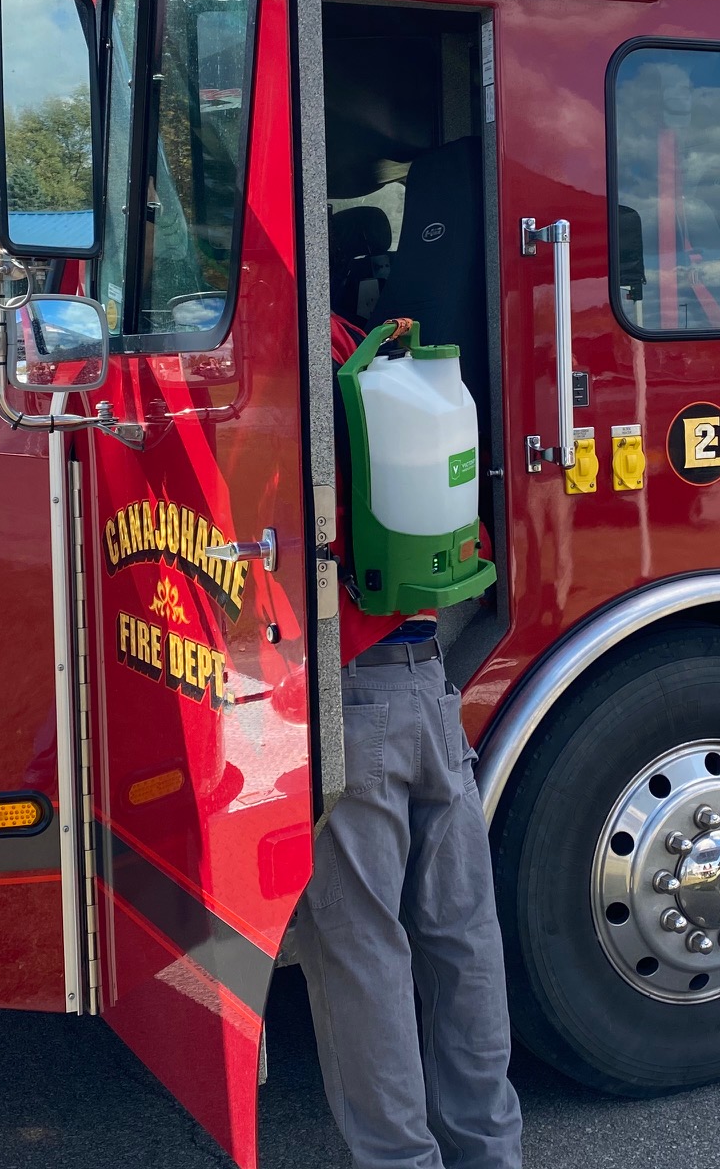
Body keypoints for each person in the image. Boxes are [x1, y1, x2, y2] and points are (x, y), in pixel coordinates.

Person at [287, 315, 524, 1169]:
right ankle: (491, 1151)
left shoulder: (285, 369)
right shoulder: (377, 352)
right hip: (427, 681)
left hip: (348, 693)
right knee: (463, 933)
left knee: (361, 947)